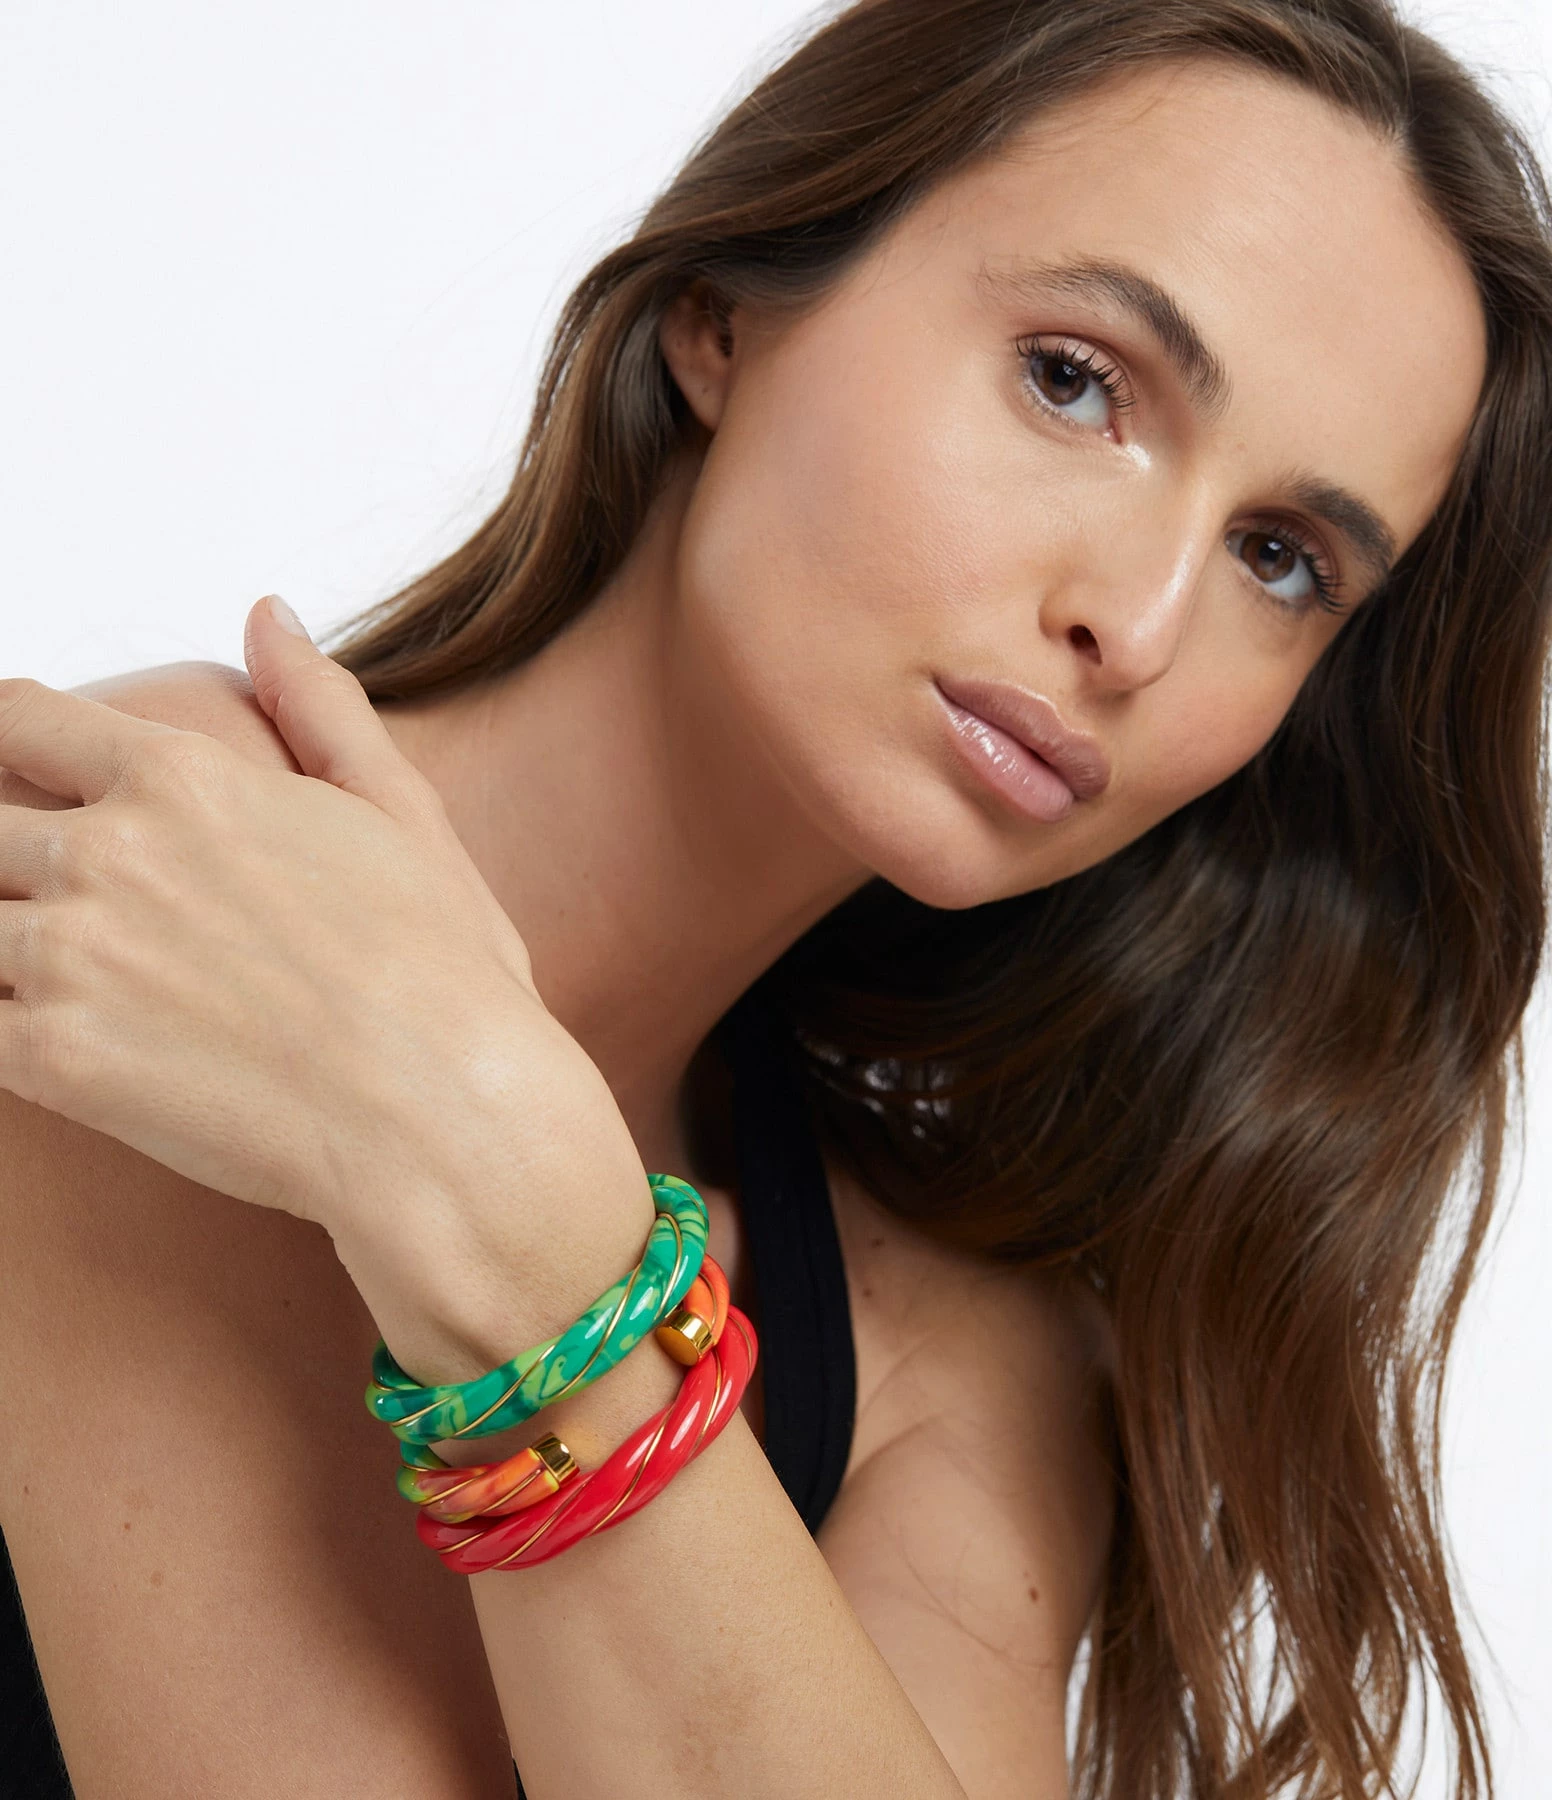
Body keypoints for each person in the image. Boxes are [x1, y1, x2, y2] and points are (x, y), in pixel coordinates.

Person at [2, 0, 1549, 1794]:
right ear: (723, 314)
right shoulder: (132, 865)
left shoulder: (939, 1346)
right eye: (1074, 380)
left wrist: (500, 1178)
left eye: (1281, 559)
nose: (1135, 626)